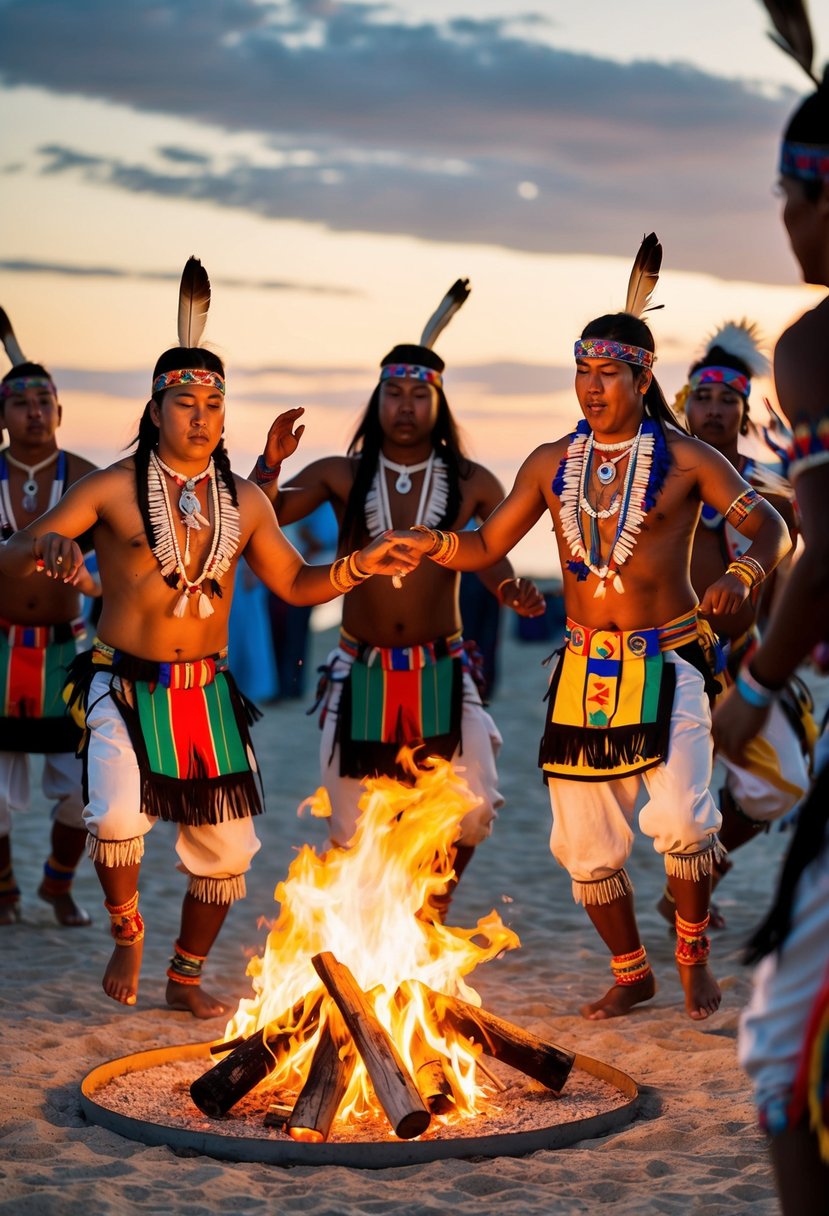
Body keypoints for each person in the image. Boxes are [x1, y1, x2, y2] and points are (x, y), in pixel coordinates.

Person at [0, 258, 420, 1017]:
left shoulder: (247, 500)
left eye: (213, 402)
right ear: (155, 410)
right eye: (184, 400)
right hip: (121, 685)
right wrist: (49, 546)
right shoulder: (110, 488)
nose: (200, 414)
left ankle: (184, 975)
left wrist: (358, 563)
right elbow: (17, 548)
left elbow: (295, 585)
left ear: (225, 417)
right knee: (118, 817)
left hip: (207, 695)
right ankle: (127, 933)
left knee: (229, 854)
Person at [402, 236, 791, 1019]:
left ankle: (688, 953)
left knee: (682, 816)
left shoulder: (685, 459)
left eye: (607, 372)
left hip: (671, 660)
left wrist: (740, 572)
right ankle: (629, 971)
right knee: (582, 845)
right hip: (582, 670)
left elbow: (770, 529)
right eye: (582, 371)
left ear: (642, 377)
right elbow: (486, 545)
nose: (590, 387)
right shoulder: (551, 461)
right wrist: (432, 545)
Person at [254, 279, 544, 916]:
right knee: (351, 826)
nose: (406, 406)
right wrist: (269, 463)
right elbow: (262, 514)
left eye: (419, 394)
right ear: (375, 400)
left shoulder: (473, 480)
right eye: (394, 393)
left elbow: (489, 554)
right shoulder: (341, 473)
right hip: (359, 670)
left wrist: (513, 589)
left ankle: (430, 911)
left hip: (443, 668)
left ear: (439, 405)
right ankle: (367, 924)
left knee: (474, 807)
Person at [713, 7, 829, 1207]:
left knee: (778, 1062)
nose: (781, 221)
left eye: (788, 195)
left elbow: (825, 548)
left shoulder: (815, 348)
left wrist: (750, 691)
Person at [657, 321, 810, 928]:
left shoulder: (771, 488)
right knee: (661, 808)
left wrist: (777, 655)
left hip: (739, 657)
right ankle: (680, 904)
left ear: (744, 413)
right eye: (704, 397)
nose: (715, 409)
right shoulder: (653, 471)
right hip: (659, 659)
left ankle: (698, 883)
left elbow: (782, 574)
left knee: (782, 784)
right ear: (683, 401)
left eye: (728, 400)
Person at [0, 307, 99, 927]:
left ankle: (57, 886)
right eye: (20, 402)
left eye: (45, 400)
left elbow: (118, 565)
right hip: (2, 650)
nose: (34, 411)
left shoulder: (88, 478)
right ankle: (3, 895)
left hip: (67, 650)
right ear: (3, 415)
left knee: (85, 787)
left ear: (60, 412)